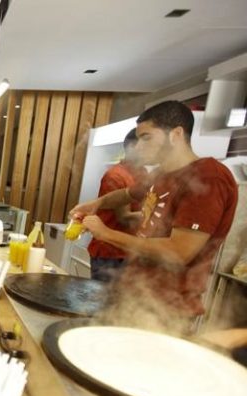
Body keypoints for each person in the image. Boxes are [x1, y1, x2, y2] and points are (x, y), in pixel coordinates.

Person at [70, 101, 238, 332]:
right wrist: (97, 203)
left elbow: (178, 252)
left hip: (167, 308)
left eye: (146, 138)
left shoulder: (208, 177)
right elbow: (127, 194)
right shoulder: (162, 174)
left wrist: (106, 233)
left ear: (176, 134)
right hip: (136, 293)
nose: (138, 146)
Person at [87, 128, 147, 281]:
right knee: (104, 295)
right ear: (133, 147)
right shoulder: (115, 176)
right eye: (145, 143)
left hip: (130, 250)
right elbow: (124, 218)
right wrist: (158, 217)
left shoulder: (143, 173)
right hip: (110, 254)